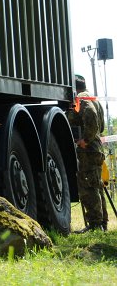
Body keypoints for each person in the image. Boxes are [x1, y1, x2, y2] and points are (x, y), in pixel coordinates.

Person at [69, 74, 107, 232]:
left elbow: (90, 115)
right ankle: (101, 223)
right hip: (96, 148)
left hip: (89, 150)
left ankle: (96, 224)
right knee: (96, 185)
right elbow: (102, 126)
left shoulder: (81, 99)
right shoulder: (93, 98)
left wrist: (85, 139)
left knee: (88, 187)